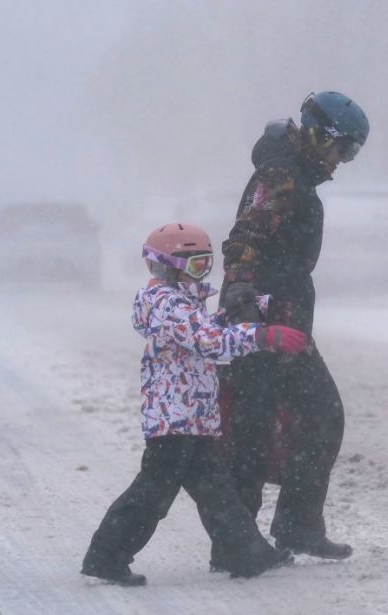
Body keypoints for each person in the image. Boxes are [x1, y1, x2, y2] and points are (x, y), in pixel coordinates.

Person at [81, 223, 307, 584]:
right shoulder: (166, 303)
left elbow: (206, 327)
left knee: (217, 490)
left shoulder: (182, 302)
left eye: (207, 264)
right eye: (196, 265)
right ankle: (106, 555)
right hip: (173, 419)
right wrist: (263, 335)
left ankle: (247, 554)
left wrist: (255, 308)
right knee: (152, 493)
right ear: (168, 266)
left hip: (194, 416)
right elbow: (208, 341)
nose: (202, 272)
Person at [217, 91, 368, 562]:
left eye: (353, 153)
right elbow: (246, 235)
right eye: (343, 149)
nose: (343, 161)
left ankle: (297, 526)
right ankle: (235, 543)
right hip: (261, 321)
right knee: (252, 431)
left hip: (288, 322)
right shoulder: (281, 173)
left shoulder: (296, 173)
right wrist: (242, 293)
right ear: (319, 135)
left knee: (320, 417)